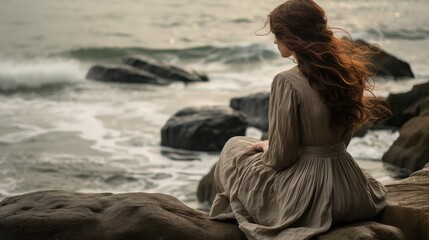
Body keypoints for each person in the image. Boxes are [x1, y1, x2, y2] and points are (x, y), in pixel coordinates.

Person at [208, 0, 391, 239]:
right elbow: (343, 141)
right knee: (248, 147)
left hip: (307, 198)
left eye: (277, 34)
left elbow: (281, 157)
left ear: (292, 36)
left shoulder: (286, 81)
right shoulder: (348, 74)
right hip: (350, 190)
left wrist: (267, 146)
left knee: (235, 147)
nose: (274, 41)